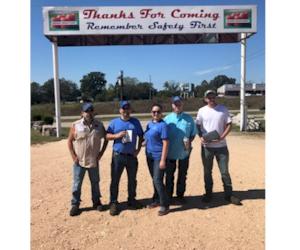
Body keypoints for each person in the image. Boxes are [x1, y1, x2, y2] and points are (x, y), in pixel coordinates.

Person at [196, 90, 242, 205]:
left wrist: (222, 137)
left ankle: (229, 194)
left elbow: (229, 124)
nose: (211, 98)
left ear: (215, 97)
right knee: (207, 172)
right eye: (209, 97)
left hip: (221, 147)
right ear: (205, 98)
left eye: (213, 96)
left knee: (224, 172)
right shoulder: (202, 111)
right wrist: (201, 136)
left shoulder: (223, 109)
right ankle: (208, 193)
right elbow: (197, 125)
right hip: (207, 147)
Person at [67, 102, 108, 216]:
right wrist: (73, 156)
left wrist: (101, 153)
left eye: (91, 111)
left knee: (95, 182)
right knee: (77, 184)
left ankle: (96, 202)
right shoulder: (76, 125)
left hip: (93, 161)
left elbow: (106, 139)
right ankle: (75, 204)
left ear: (93, 112)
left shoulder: (99, 125)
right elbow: (70, 141)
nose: (89, 113)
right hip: (79, 161)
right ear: (82, 113)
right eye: (86, 111)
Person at [106, 100, 144, 216]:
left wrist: (138, 150)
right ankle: (113, 202)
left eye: (128, 109)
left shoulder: (135, 122)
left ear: (130, 110)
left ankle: (131, 199)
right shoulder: (114, 122)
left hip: (131, 157)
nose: (126, 111)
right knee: (115, 180)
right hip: (118, 156)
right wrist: (117, 136)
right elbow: (107, 136)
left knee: (132, 180)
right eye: (124, 109)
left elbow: (141, 136)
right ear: (120, 110)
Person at [164, 96, 197, 203]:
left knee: (182, 175)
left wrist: (189, 141)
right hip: (170, 153)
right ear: (172, 105)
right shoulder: (167, 119)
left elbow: (193, 134)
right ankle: (168, 196)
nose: (177, 105)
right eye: (175, 103)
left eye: (179, 103)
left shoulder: (189, 119)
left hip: (184, 152)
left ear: (182, 104)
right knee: (169, 176)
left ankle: (180, 196)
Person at [144, 104, 169, 216]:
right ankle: (156, 199)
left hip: (158, 156)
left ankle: (165, 204)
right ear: (151, 112)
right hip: (149, 155)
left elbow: (165, 143)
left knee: (157, 180)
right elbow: (147, 138)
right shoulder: (149, 124)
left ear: (161, 113)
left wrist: (163, 160)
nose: (156, 114)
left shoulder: (163, 125)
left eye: (158, 112)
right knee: (154, 179)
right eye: (154, 112)